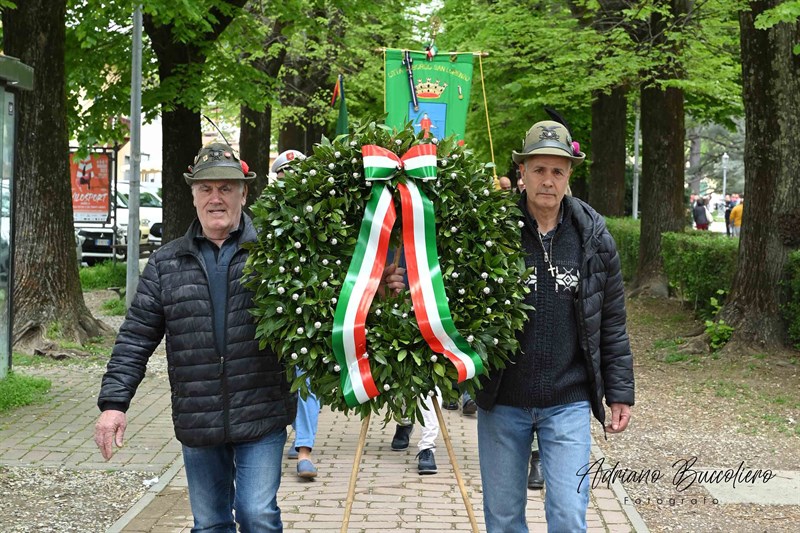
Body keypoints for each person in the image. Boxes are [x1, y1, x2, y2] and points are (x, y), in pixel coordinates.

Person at [94, 141, 297, 532]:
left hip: (261, 410)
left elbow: (330, 304)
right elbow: (135, 337)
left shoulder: (275, 255)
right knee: (209, 523)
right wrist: (114, 404)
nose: (215, 198)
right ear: (192, 195)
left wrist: (384, 288)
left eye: (225, 188)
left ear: (244, 192)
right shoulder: (166, 263)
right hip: (198, 415)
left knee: (257, 513)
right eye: (206, 189)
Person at [476, 120, 634, 532]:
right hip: (502, 398)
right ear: (522, 173)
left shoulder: (594, 238)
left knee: (567, 514)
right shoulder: (490, 232)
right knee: (504, 518)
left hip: (568, 399)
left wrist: (619, 392)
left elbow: (611, 323)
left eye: (557, 171)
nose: (548, 180)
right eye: (539, 170)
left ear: (569, 177)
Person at [271, 150, 320, 480]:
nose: (292, 179)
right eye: (286, 173)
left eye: (298, 173)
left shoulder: (321, 213)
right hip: (275, 311)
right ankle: (284, 434)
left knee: (306, 376)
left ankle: (304, 449)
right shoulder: (267, 216)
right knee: (279, 377)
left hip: (310, 310)